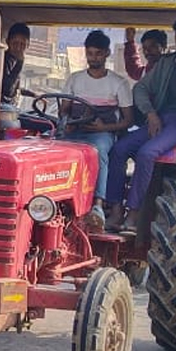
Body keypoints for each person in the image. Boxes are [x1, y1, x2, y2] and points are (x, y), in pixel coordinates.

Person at [105, 13, 176, 234]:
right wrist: (150, 113)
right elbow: (141, 88)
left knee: (147, 153)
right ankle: (115, 209)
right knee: (119, 149)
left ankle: (135, 214)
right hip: (162, 117)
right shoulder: (168, 63)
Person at [60, 30, 135, 227]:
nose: (93, 58)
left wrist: (104, 127)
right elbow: (64, 110)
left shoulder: (118, 83)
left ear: (107, 53)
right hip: (76, 130)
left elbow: (128, 120)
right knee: (55, 149)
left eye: (98, 54)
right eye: (90, 53)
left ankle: (98, 205)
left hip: (103, 133)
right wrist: (66, 121)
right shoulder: (75, 79)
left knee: (98, 151)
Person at [1, 23, 31, 106]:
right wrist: (20, 63)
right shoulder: (2, 60)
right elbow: (7, 90)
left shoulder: (14, 60)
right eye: (15, 43)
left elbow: (15, 88)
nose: (18, 48)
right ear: (7, 42)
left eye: (22, 44)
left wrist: (34, 95)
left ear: (28, 45)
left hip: (12, 106)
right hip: (2, 107)